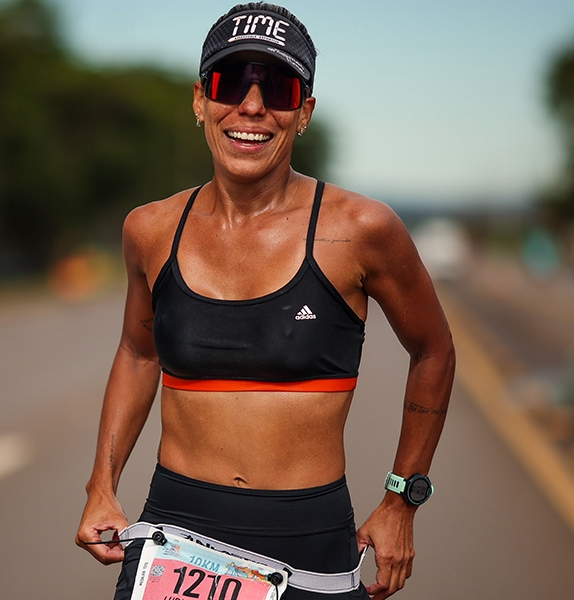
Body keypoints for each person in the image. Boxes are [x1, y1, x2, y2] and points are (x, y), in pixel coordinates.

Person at [73, 3, 455, 600]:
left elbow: (433, 351)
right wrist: (102, 484)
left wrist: (402, 500)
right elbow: (138, 352)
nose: (252, 107)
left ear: (303, 112)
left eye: (277, 87)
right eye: (231, 82)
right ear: (201, 98)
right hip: (173, 540)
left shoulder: (360, 229)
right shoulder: (149, 229)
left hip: (309, 543)